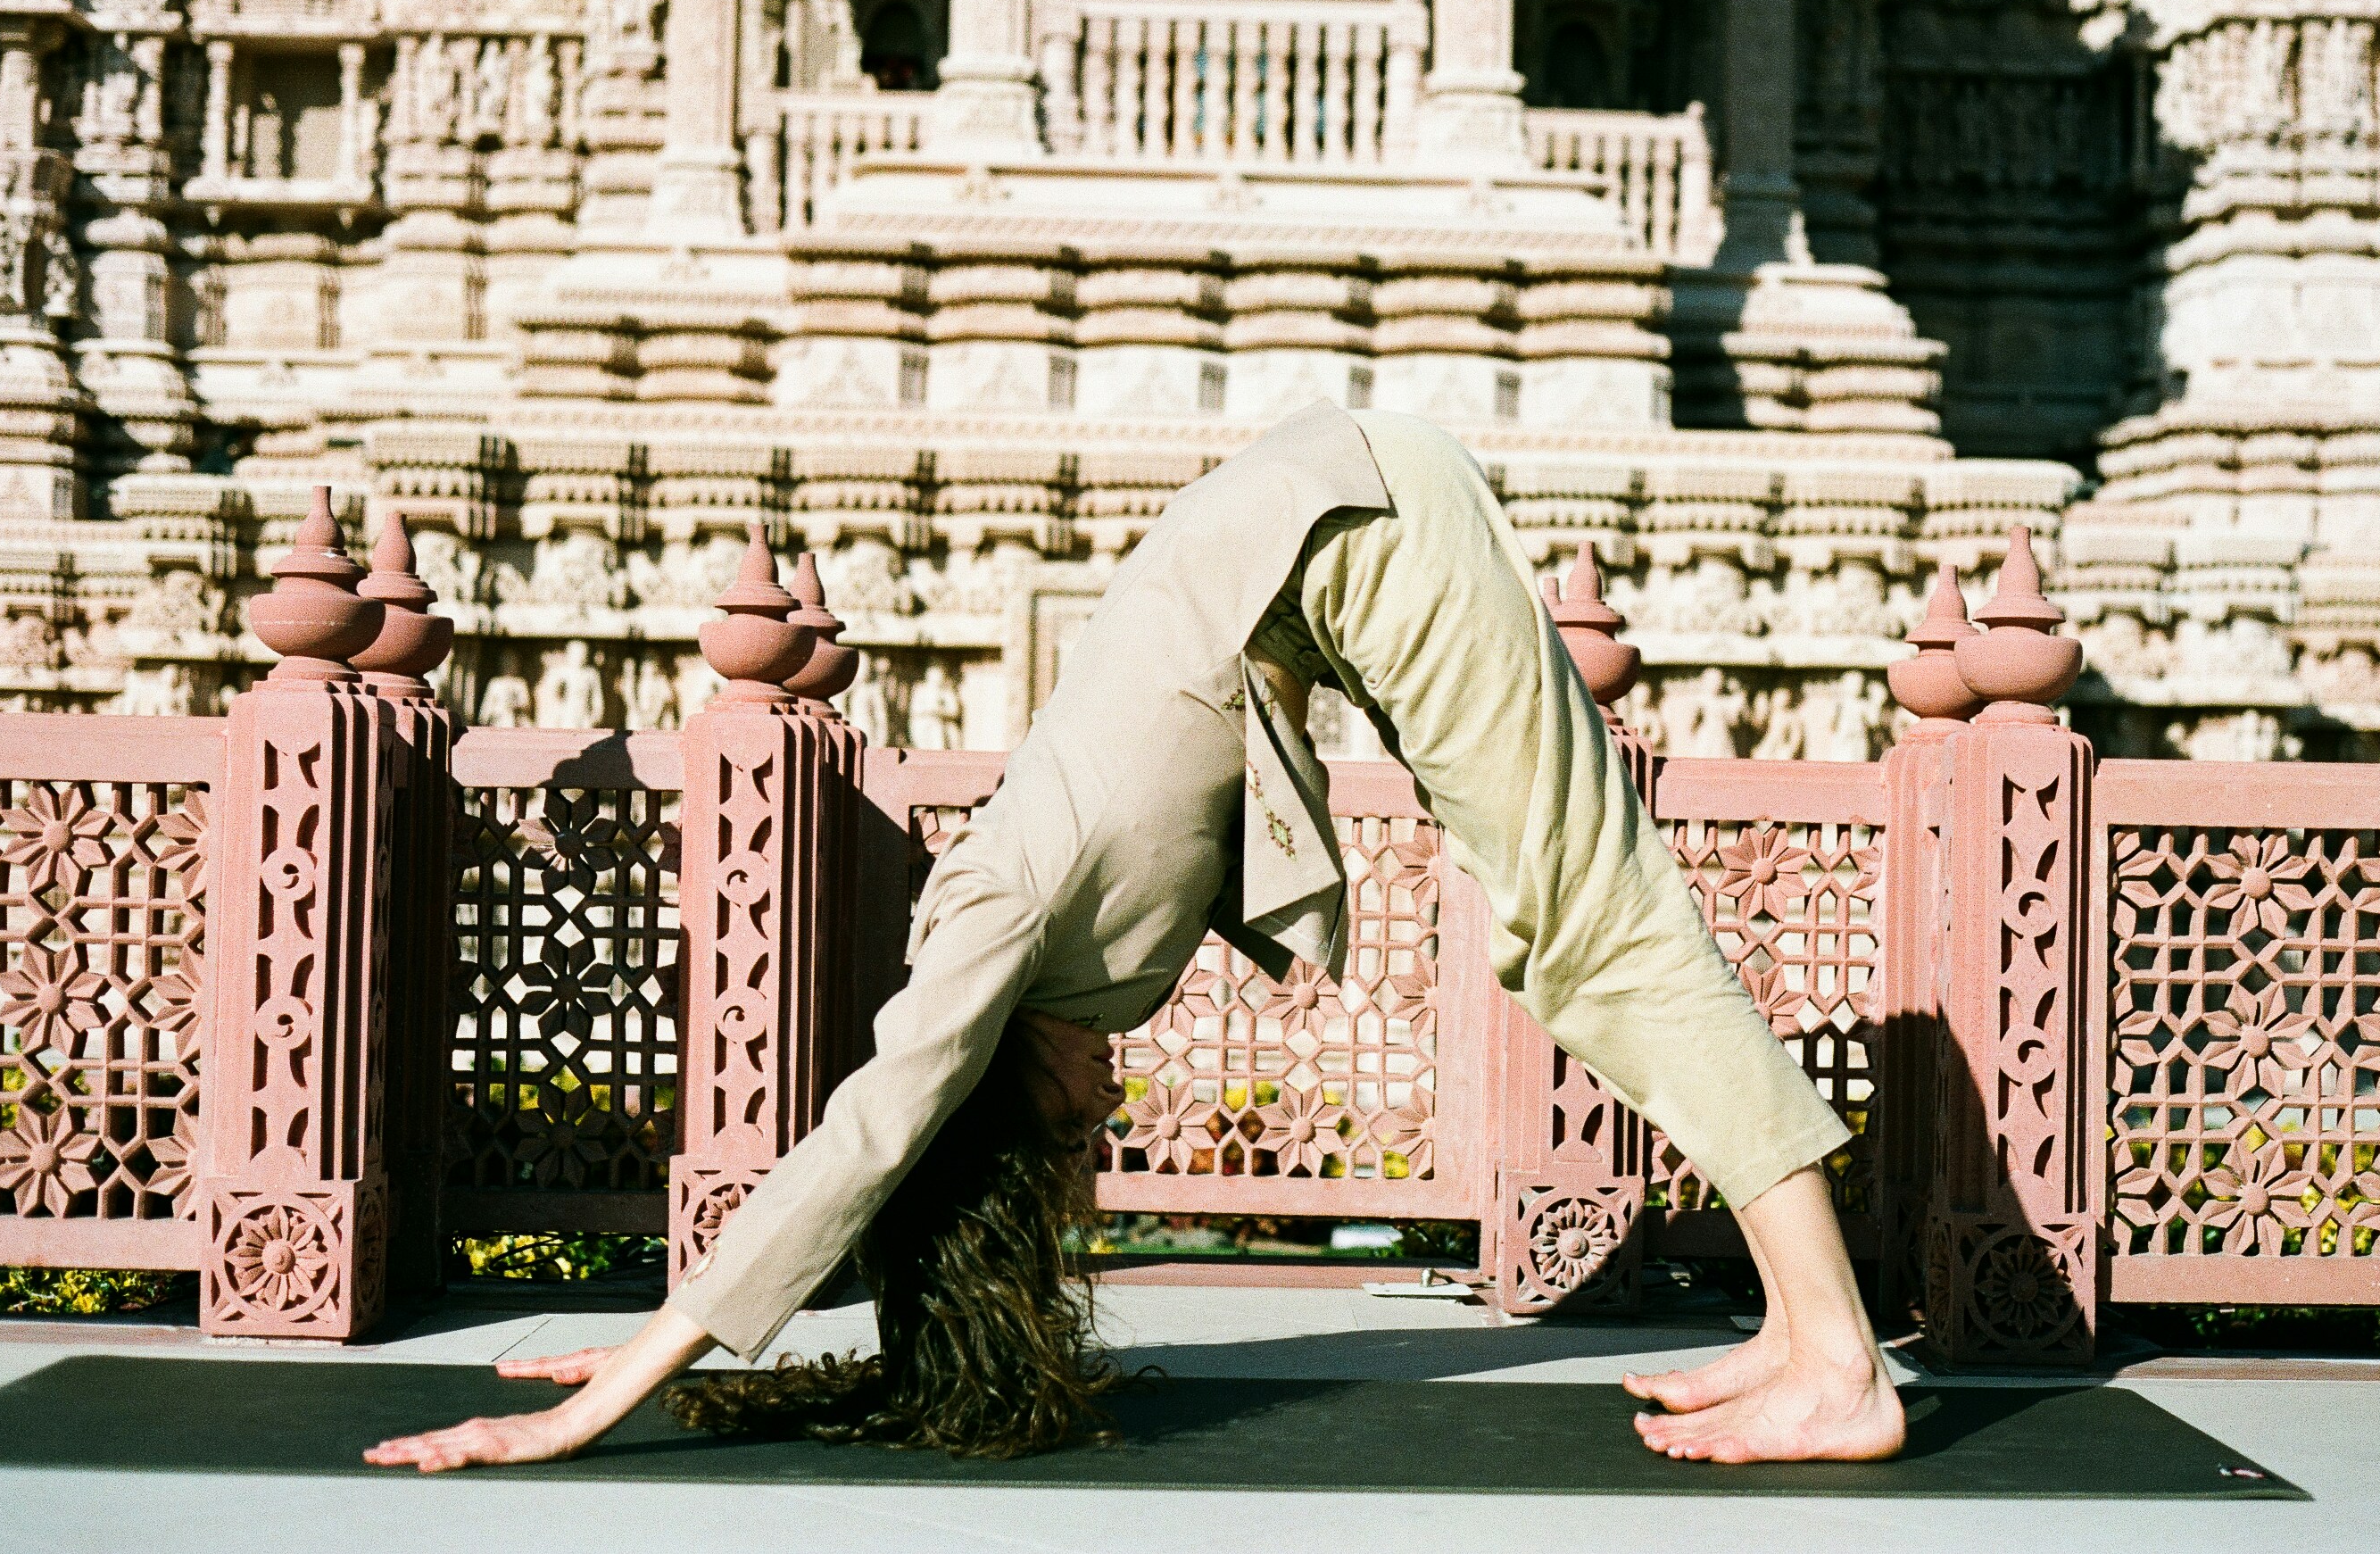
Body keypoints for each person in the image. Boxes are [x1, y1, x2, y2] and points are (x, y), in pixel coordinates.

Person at [365, 404, 1905, 1473]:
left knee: (1592, 932)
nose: (1105, 1119)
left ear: (996, 1096)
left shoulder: (990, 922)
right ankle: (1797, 1330)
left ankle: (1835, 1366)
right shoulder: (1031, 951)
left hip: (1351, 532)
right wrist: (676, 1340)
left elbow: (866, 1135)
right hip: (1320, 540)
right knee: (1575, 933)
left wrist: (642, 1365)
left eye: (1061, 1136)